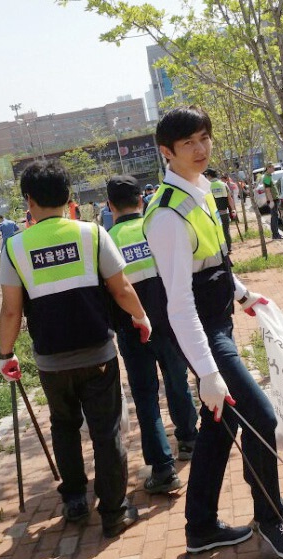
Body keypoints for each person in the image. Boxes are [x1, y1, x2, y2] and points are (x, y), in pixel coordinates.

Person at [144, 106, 283, 559]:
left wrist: (241, 293)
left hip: (219, 321)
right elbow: (178, 302)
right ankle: (271, 517)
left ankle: (200, 526)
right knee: (262, 416)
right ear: (167, 152)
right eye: (188, 144)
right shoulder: (166, 214)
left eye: (204, 138)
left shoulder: (202, 190)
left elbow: (213, 264)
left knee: (220, 426)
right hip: (201, 332)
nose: (200, 150)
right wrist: (207, 371)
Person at [0, 160, 150, 538]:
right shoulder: (92, 234)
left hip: (50, 361)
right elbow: (121, 288)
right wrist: (141, 318)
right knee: (106, 430)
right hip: (98, 353)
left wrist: (5, 354)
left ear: (28, 200)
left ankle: (76, 500)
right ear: (69, 197)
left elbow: (11, 309)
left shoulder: (15, 247)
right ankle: (113, 511)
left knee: (63, 427)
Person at [104, 174, 199, 493]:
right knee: (177, 381)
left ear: (109, 206)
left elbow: (109, 291)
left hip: (132, 327)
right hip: (170, 320)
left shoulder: (107, 239)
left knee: (145, 396)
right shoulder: (153, 229)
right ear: (141, 200)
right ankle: (189, 439)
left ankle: (162, 469)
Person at [206, 168, 236, 253]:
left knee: (216, 232)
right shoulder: (223, 184)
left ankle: (220, 250)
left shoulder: (207, 186)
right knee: (226, 231)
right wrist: (233, 210)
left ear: (209, 175)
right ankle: (229, 248)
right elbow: (229, 198)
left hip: (212, 214)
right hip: (224, 212)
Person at [262, 163, 283, 239]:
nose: (274, 169)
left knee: (274, 217)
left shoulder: (269, 176)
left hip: (274, 199)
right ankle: (275, 234)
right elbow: (267, 190)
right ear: (268, 168)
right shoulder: (267, 177)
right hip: (273, 200)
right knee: (274, 217)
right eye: (273, 168)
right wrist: (271, 201)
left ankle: (276, 234)